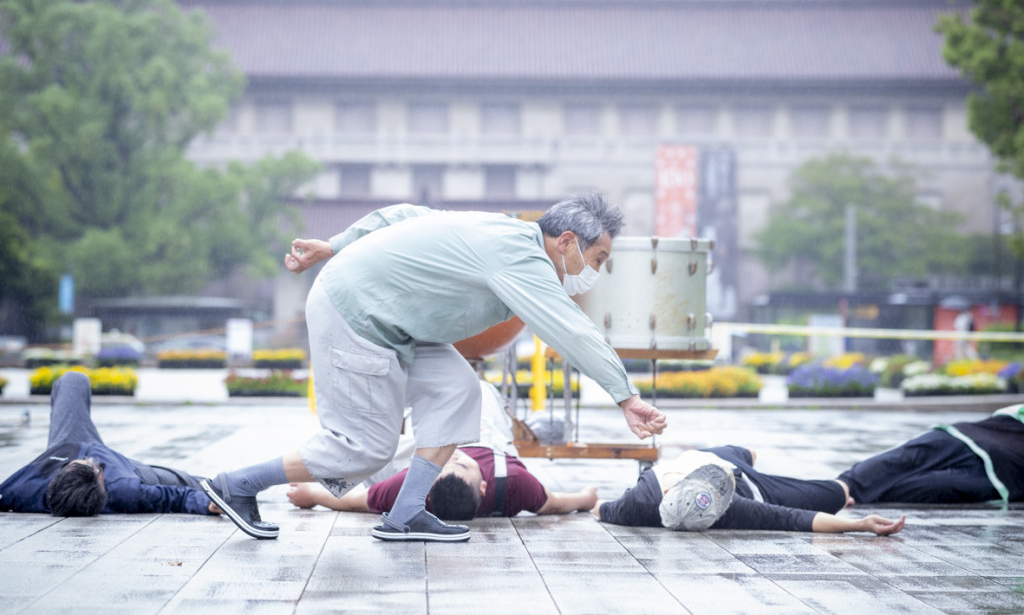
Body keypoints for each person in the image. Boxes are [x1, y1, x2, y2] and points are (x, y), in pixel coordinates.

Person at [202, 193, 667, 541]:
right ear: (566, 241)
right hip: (357, 314)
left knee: (458, 391)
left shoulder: (500, 228)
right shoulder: (524, 257)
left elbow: (406, 216)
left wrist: (337, 244)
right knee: (364, 449)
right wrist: (626, 396)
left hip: (392, 321)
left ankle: (404, 514)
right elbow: (571, 329)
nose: (595, 272)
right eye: (598, 258)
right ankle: (238, 484)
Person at [286, 381, 597, 519]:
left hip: (427, 445)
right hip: (487, 435)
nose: (454, 457)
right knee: (478, 389)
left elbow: (360, 501)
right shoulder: (516, 485)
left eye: (444, 467)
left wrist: (312, 495)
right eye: (460, 466)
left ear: (426, 493)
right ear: (484, 484)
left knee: (380, 451)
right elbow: (555, 504)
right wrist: (587, 498)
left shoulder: (414, 485)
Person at [0, 371, 220, 517]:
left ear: (53, 481)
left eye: (81, 464)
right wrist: (208, 503)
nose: (90, 460)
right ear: (103, 481)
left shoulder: (25, 491)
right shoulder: (125, 490)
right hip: (125, 467)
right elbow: (173, 498)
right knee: (189, 482)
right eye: (94, 467)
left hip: (67, 442)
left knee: (73, 380)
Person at [595, 446, 905, 535]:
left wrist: (588, 501)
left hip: (722, 459)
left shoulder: (635, 503)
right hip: (753, 487)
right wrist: (859, 525)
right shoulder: (730, 507)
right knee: (838, 491)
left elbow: (598, 507)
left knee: (750, 453)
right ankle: (846, 491)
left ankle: (745, 463)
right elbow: (797, 518)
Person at [838, 403, 1024, 505]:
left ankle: (851, 496)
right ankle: (838, 489)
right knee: (904, 458)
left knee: (929, 487)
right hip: (978, 434)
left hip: (1007, 476)